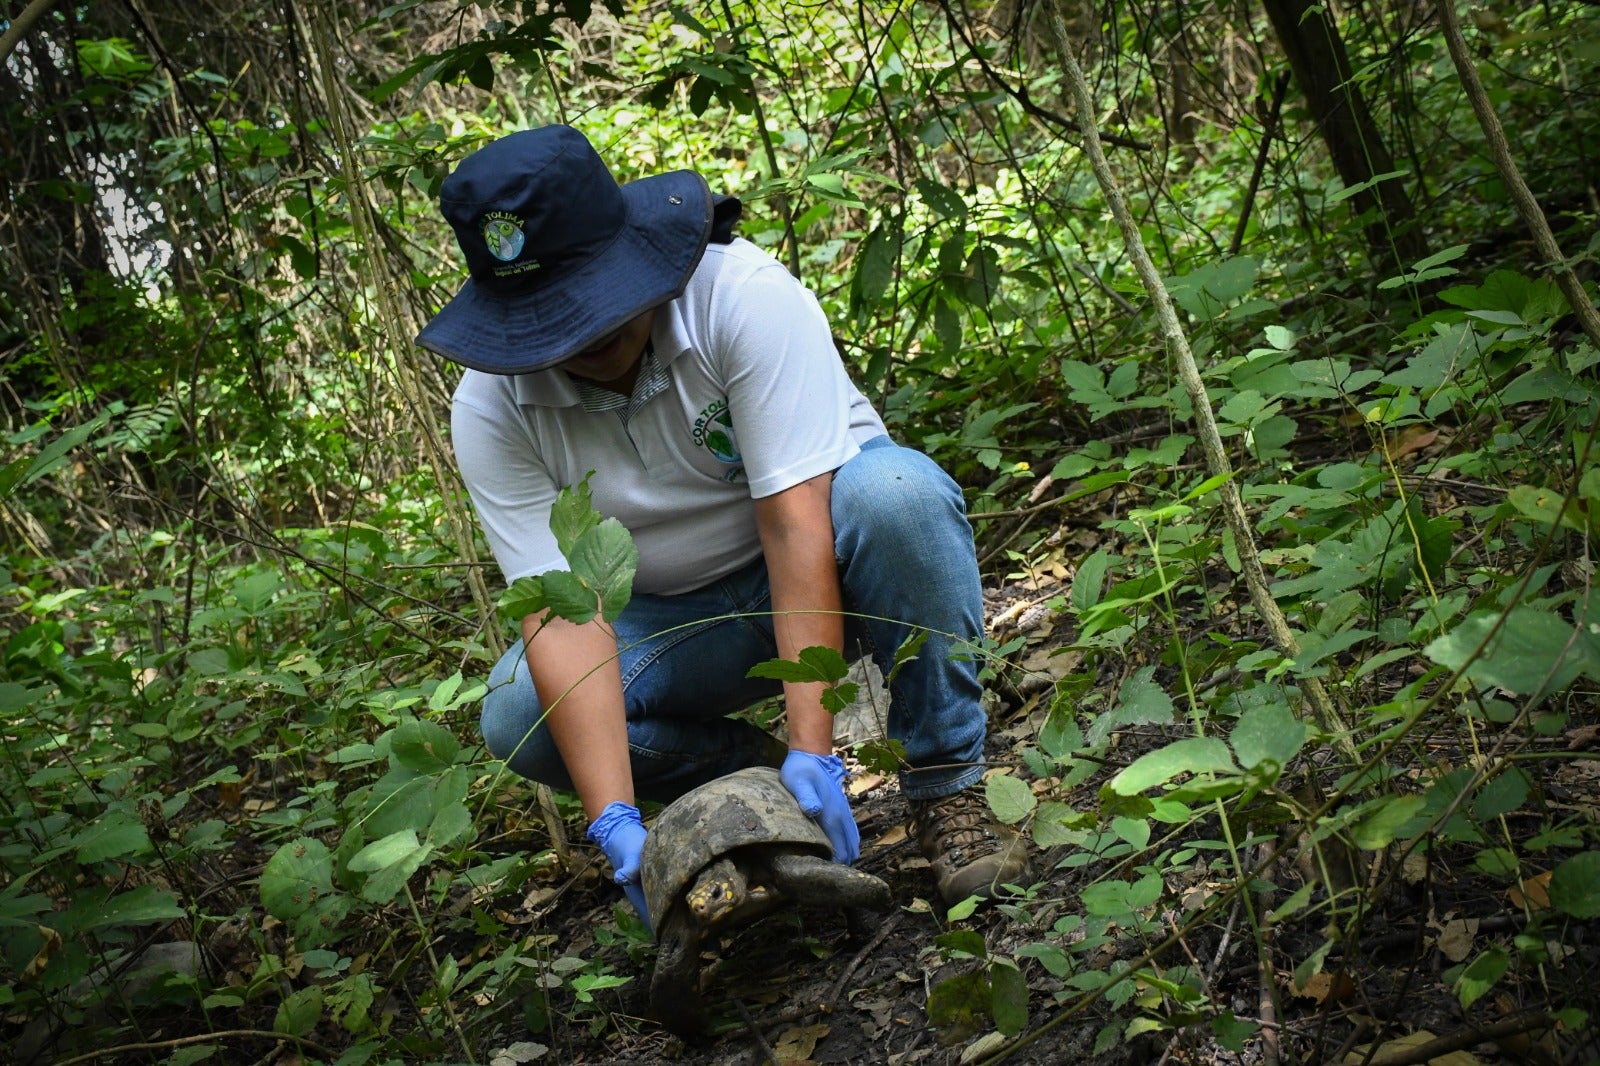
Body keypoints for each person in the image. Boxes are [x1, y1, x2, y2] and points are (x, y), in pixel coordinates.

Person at [416, 124, 1030, 927]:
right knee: (515, 711)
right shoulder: (490, 407)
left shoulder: (740, 296)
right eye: (552, 321)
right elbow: (564, 610)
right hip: (675, 623)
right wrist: (613, 819)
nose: (588, 337)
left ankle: (948, 785)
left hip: (833, 570)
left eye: (593, 304)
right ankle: (754, 781)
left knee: (899, 495)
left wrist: (819, 740)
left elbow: (793, 522)